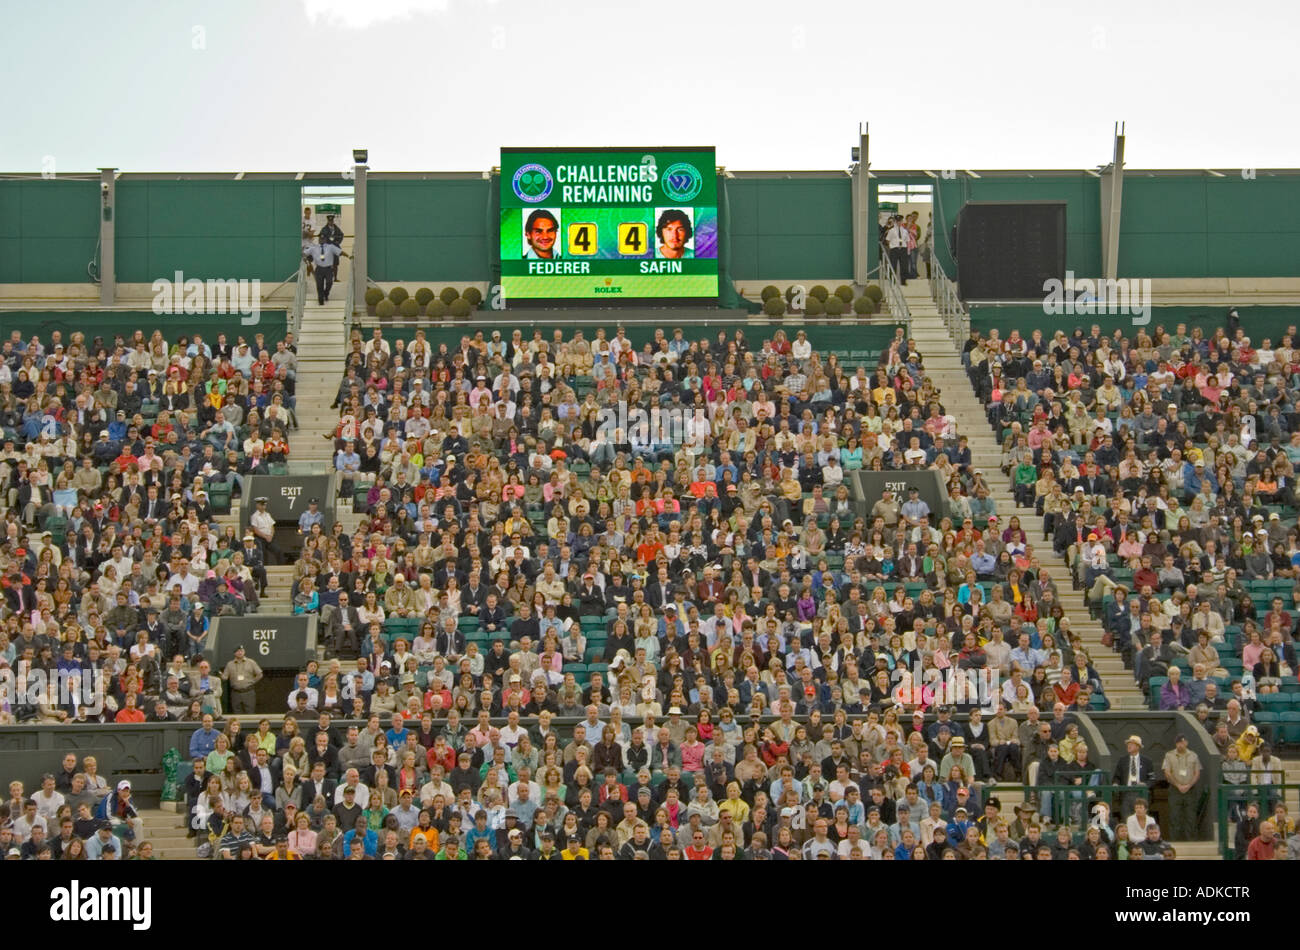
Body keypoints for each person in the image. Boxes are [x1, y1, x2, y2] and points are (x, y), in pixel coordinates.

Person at [304, 233, 347, 305]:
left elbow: (340, 252)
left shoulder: (331, 247)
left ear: (326, 239)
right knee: (319, 285)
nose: (321, 240)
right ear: (318, 239)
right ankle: (321, 301)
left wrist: (348, 256)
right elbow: (304, 253)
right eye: (320, 239)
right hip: (319, 269)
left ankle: (326, 294)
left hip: (328, 269)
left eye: (323, 239)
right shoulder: (314, 248)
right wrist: (304, 258)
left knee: (329, 282)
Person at [221, 644, 265, 714]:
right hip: (236, 693)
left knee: (250, 713)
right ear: (234, 653)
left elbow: (260, 674)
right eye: (238, 651)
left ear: (244, 651)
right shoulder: (230, 664)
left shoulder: (251, 662)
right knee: (237, 713)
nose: (240, 652)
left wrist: (252, 682)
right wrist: (221, 676)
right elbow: (225, 677)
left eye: (241, 651)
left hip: (248, 692)